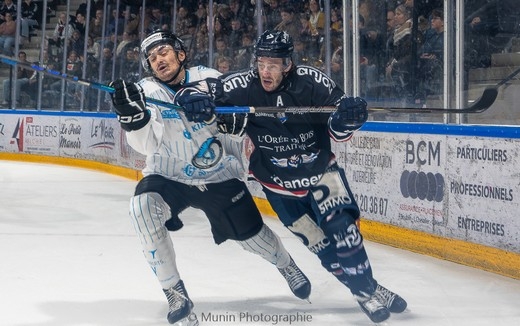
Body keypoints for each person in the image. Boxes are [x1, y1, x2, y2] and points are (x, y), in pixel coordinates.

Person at [182, 30, 408, 324]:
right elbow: (194, 89)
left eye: (274, 64)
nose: (266, 70)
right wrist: (194, 99)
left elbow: (338, 127)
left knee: (344, 232)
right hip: (278, 188)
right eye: (261, 63)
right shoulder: (242, 84)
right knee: (323, 249)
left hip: (322, 175)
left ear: (288, 64)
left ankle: (364, 292)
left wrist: (348, 117)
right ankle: (369, 288)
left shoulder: (312, 82)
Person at [108, 30, 311, 325]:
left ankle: (286, 264)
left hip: (218, 175)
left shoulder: (210, 78)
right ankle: (174, 292)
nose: (158, 60)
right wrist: (132, 118)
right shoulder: (144, 92)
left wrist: (223, 116)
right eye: (151, 58)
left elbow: (241, 120)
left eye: (163, 52)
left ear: (180, 55)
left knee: (253, 238)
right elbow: (146, 145)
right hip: (168, 176)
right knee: (142, 209)